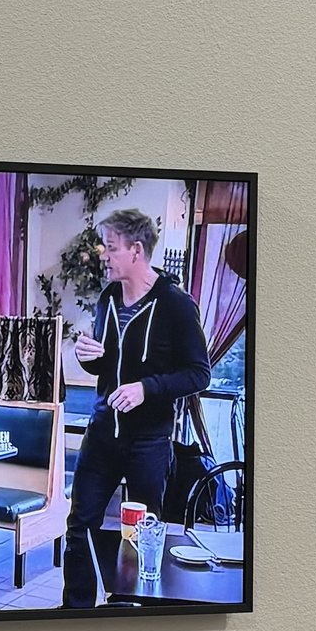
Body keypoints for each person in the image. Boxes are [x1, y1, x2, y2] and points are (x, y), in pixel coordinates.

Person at [63, 208, 210, 606]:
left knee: (144, 532)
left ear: (136, 250)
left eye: (111, 248)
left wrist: (147, 388)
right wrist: (87, 355)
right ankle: (73, 613)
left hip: (149, 442)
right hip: (102, 435)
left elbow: (199, 374)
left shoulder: (177, 305)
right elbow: (105, 362)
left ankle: (138, 610)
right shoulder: (108, 298)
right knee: (79, 526)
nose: (104, 256)